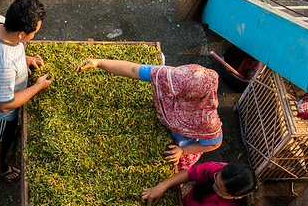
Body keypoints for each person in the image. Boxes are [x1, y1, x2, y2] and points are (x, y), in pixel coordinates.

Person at [80, 60, 223, 171]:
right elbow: (133, 70)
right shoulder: (171, 76)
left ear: (188, 97)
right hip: (166, 124)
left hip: (183, 143)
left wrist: (183, 150)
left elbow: (214, 144)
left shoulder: (207, 120)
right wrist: (98, 62)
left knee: (171, 166)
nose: (169, 87)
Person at [0, 0, 52, 181]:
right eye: (33, 32)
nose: (34, 36)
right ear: (21, 34)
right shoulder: (3, 66)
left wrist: (25, 58)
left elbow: (12, 50)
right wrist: (37, 86)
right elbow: (5, 105)